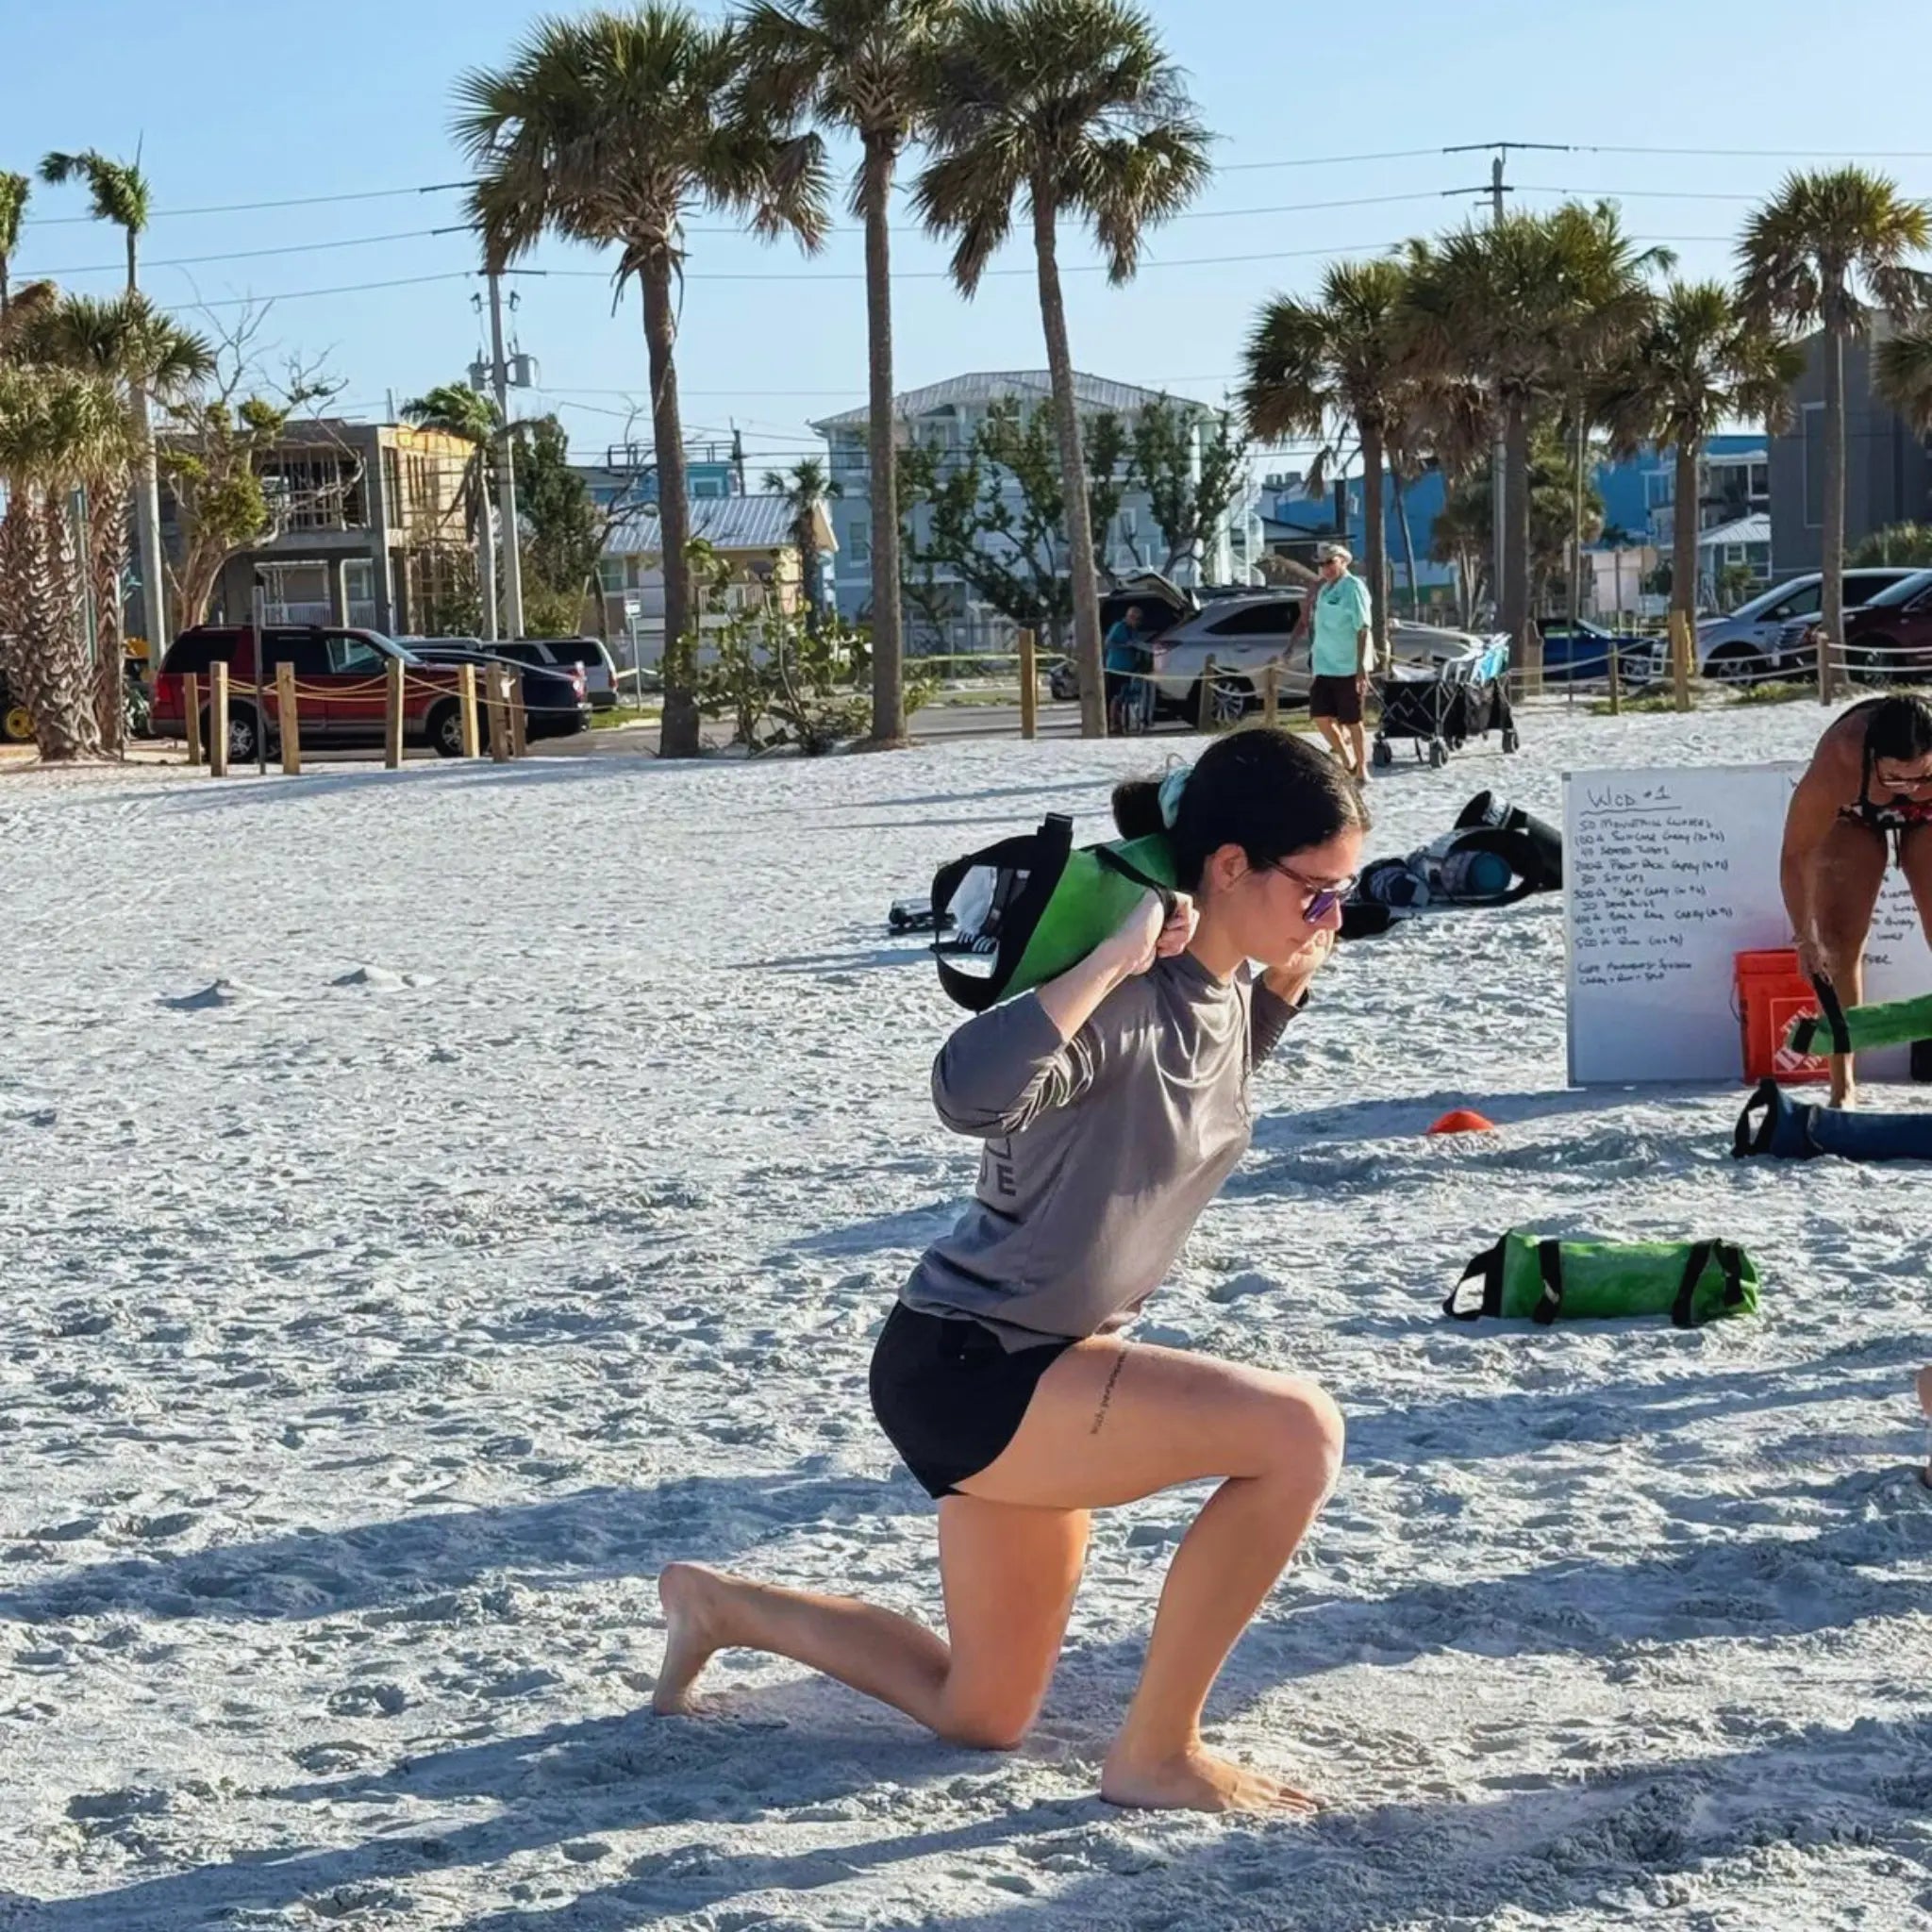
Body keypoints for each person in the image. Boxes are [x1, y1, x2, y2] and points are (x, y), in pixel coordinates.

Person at [655, 728, 1366, 1814]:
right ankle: (1154, 1752)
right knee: (1297, 1430)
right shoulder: (1129, 997)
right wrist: (1104, 962)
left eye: (1344, 896)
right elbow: (965, 1091)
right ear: (1228, 865)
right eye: (1317, 892)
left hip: (1038, 1361)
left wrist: (1279, 994)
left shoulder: (1222, 998)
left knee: (979, 1709)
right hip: (980, 1366)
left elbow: (1173, 1113)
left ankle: (719, 1605)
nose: (1330, 916)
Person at [1779, 691, 1932, 1106]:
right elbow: (1796, 853)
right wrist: (1803, 938)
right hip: (1855, 815)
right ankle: (1842, 1082)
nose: (1909, 787)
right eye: (1896, 778)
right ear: (1873, 757)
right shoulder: (1841, 756)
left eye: (1920, 776)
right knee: (1838, 940)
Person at [1300, 545, 1375, 778]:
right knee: (1320, 716)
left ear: (1343, 561)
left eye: (1330, 562)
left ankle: (1362, 767)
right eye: (1321, 564)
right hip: (1324, 664)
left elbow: (1363, 628)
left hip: (1347, 665)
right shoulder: (1324, 590)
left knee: (1353, 719)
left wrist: (1361, 666)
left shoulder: (1353, 588)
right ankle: (1346, 757)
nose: (1326, 568)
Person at [1104, 606, 1150, 734]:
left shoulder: (1133, 630)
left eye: (1140, 619)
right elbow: (1108, 643)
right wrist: (1125, 646)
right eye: (1136, 619)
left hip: (1128, 668)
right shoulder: (1119, 627)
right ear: (1130, 617)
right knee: (1115, 696)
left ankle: (1121, 723)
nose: (1138, 622)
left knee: (1123, 696)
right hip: (1116, 667)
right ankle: (1113, 723)